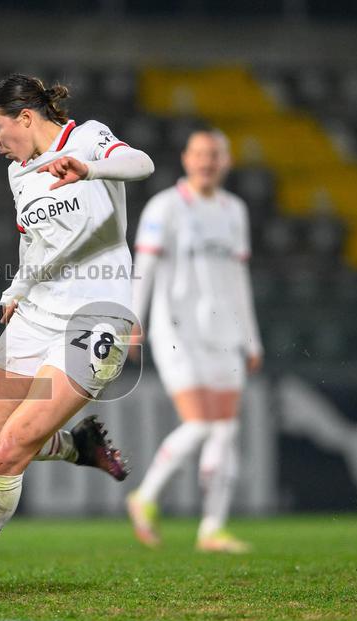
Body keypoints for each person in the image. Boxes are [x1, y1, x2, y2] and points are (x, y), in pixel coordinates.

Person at [0, 74, 155, 600]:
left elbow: (143, 164)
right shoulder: (19, 175)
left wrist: (90, 168)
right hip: (35, 316)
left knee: (8, 453)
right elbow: (36, 244)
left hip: (97, 318)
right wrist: (17, 288)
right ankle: (77, 447)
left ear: (25, 117)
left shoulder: (87, 137)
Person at [126, 129, 263, 554]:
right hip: (176, 330)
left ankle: (212, 529)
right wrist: (134, 318)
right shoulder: (165, 206)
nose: (207, 162)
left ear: (227, 162)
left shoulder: (234, 211)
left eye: (215, 155)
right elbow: (143, 265)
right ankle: (145, 497)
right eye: (200, 154)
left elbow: (238, 278)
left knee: (226, 429)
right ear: (186, 159)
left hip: (224, 333)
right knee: (202, 423)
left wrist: (250, 337)